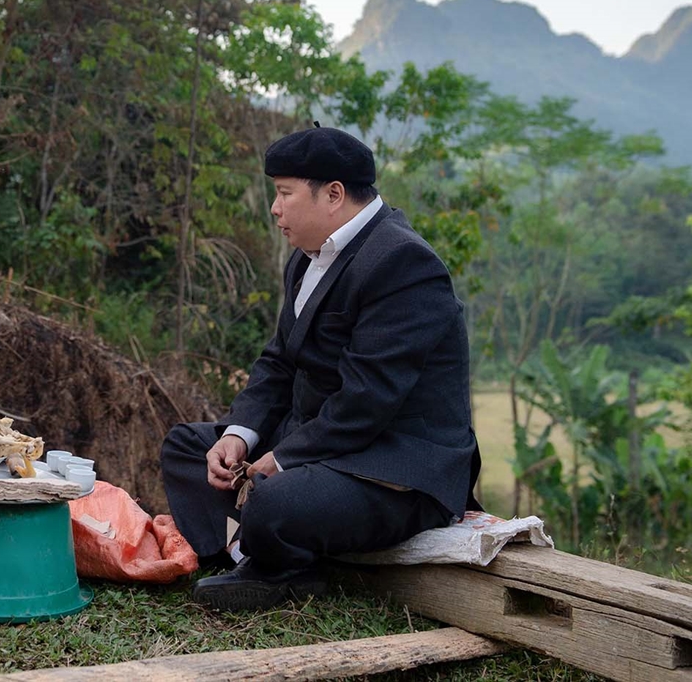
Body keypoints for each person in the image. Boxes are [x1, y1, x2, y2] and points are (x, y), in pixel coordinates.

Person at [160, 125, 479, 611]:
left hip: (392, 465)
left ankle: (271, 563)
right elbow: (278, 361)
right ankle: (251, 555)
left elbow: (367, 401)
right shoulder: (308, 257)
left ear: (333, 195)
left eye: (285, 193)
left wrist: (282, 459)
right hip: (322, 442)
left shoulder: (403, 262)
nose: (275, 208)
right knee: (187, 448)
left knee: (274, 498)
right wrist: (240, 437)